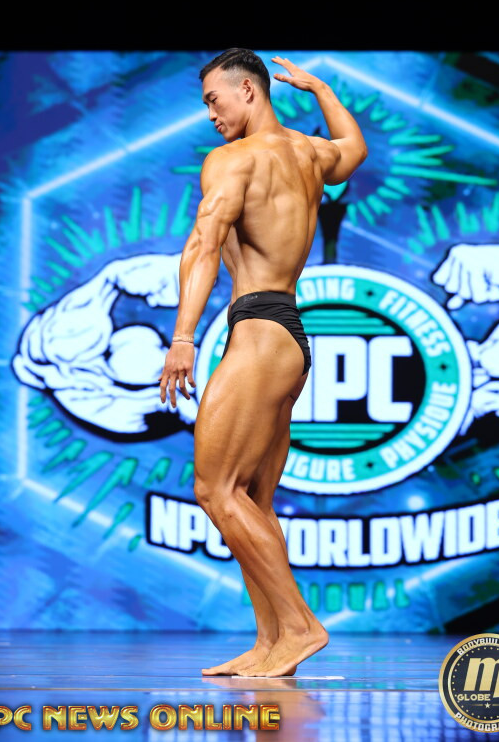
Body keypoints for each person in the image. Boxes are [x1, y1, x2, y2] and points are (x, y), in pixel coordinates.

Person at [159, 48, 368, 676]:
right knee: (253, 497)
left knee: (214, 490)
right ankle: (272, 641)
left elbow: (203, 244)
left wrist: (183, 337)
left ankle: (300, 626)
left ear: (247, 90)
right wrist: (320, 89)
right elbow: (353, 149)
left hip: (256, 332)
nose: (210, 114)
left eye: (213, 100)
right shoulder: (309, 153)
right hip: (289, 335)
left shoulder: (231, 160)